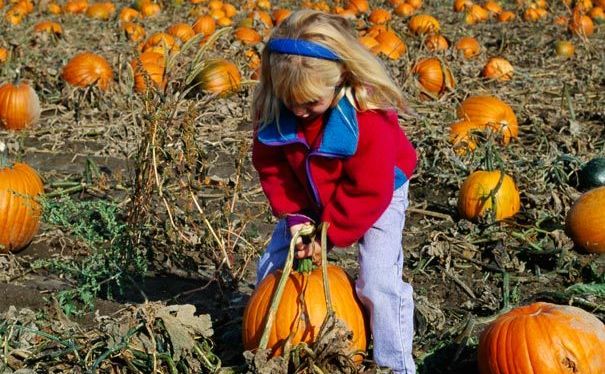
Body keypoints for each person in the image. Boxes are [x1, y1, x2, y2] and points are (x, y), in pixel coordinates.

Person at [250, 9, 418, 374]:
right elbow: (273, 167)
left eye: (310, 104)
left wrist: (328, 236)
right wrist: (295, 217)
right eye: (290, 101)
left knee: (377, 279)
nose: (299, 111)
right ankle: (268, 345)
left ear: (341, 77)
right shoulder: (277, 110)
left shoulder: (367, 121)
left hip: (378, 191)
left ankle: (397, 364)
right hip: (310, 190)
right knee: (272, 266)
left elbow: (367, 191)